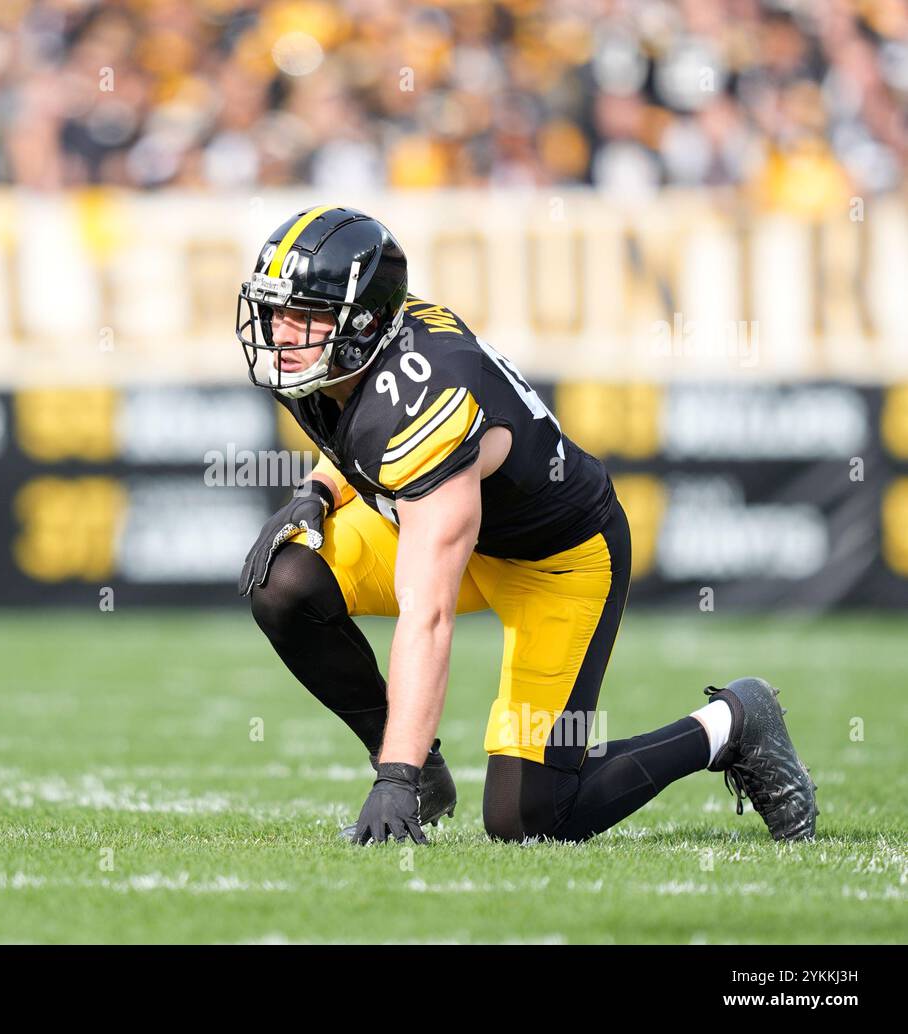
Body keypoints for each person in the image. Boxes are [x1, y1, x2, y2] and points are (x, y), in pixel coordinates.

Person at [235, 204, 818, 845]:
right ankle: (422, 770)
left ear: (361, 322)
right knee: (286, 580)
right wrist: (319, 486)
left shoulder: (425, 398)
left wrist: (391, 781)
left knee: (528, 818)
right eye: (275, 310)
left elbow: (426, 612)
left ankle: (732, 724)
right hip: (456, 526)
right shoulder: (351, 349)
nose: (282, 334)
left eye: (304, 315)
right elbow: (357, 423)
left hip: (557, 564)